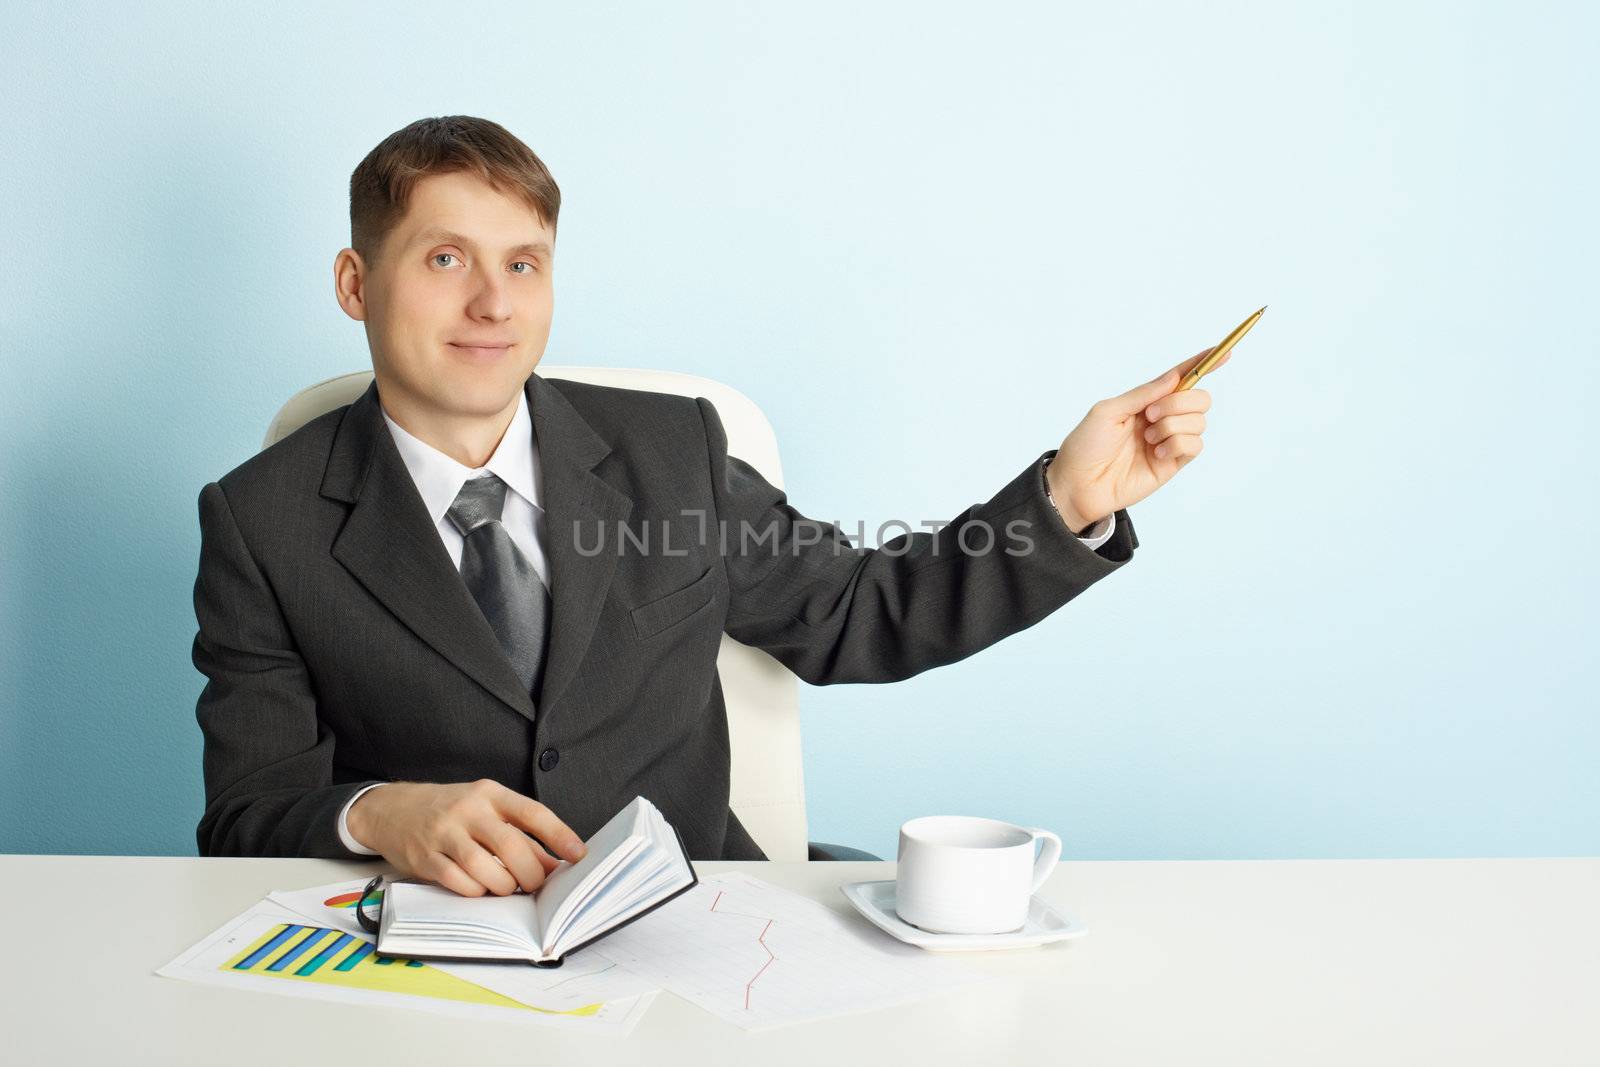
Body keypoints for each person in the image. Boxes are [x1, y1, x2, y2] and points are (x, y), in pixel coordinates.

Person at [192, 115, 1221, 897]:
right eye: (445, 257)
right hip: (426, 949)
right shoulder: (260, 521)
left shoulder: (670, 451)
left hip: (688, 926)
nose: (493, 303)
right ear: (354, 281)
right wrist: (380, 813)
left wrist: (1065, 501)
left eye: (523, 263)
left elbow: (863, 607)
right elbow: (246, 812)